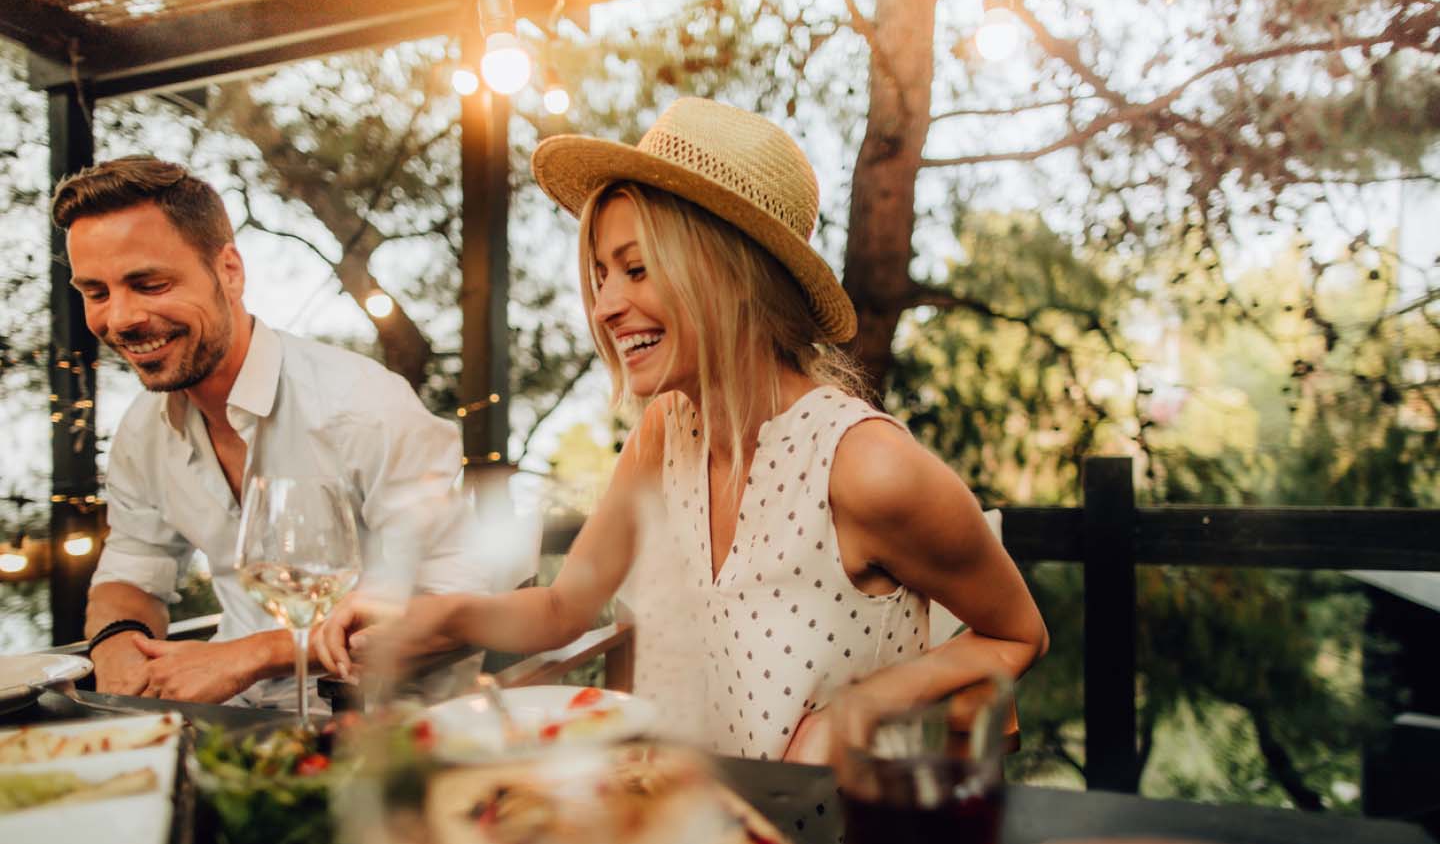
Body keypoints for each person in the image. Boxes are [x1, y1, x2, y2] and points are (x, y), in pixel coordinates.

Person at [316, 98, 1048, 762]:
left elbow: (1017, 634)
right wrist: (432, 614)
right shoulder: (666, 430)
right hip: (688, 841)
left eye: (635, 269)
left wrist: (857, 711)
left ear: (731, 275)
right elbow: (562, 607)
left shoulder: (866, 466)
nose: (604, 306)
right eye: (602, 274)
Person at [53, 156, 485, 707]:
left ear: (229, 271)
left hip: (389, 732)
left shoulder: (363, 408)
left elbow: (458, 606)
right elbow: (133, 574)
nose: (119, 319)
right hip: (227, 725)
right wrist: (115, 645)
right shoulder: (143, 430)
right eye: (96, 293)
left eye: (151, 284)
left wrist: (257, 653)